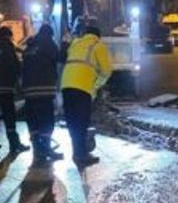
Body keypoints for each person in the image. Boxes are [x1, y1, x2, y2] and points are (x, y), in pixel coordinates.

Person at [61, 23, 112, 167]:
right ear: (98, 36)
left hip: (66, 85)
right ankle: (81, 155)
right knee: (81, 122)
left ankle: (77, 152)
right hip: (82, 88)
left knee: (72, 122)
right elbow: (107, 71)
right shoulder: (97, 45)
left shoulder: (76, 43)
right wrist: (95, 86)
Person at [22, 24, 64, 166]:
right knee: (46, 121)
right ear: (50, 33)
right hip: (43, 90)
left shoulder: (29, 47)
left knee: (33, 120)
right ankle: (46, 149)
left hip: (28, 91)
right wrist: (65, 44)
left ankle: (37, 150)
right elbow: (59, 57)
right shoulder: (48, 42)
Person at [0, 26, 29, 154]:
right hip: (6, 88)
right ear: (9, 36)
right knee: (9, 118)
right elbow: (16, 66)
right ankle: (14, 145)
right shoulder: (9, 47)